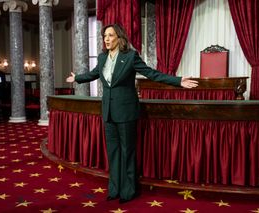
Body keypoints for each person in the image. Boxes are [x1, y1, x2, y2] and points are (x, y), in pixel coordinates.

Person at [66, 24, 198, 203]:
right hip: (108, 113)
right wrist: (77, 78)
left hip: (126, 113)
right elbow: (94, 73)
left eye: (110, 35)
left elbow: (151, 73)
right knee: (113, 153)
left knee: (127, 152)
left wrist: (177, 81)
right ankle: (114, 189)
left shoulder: (130, 57)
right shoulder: (103, 57)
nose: (106, 39)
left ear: (119, 38)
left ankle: (128, 191)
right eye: (105, 35)